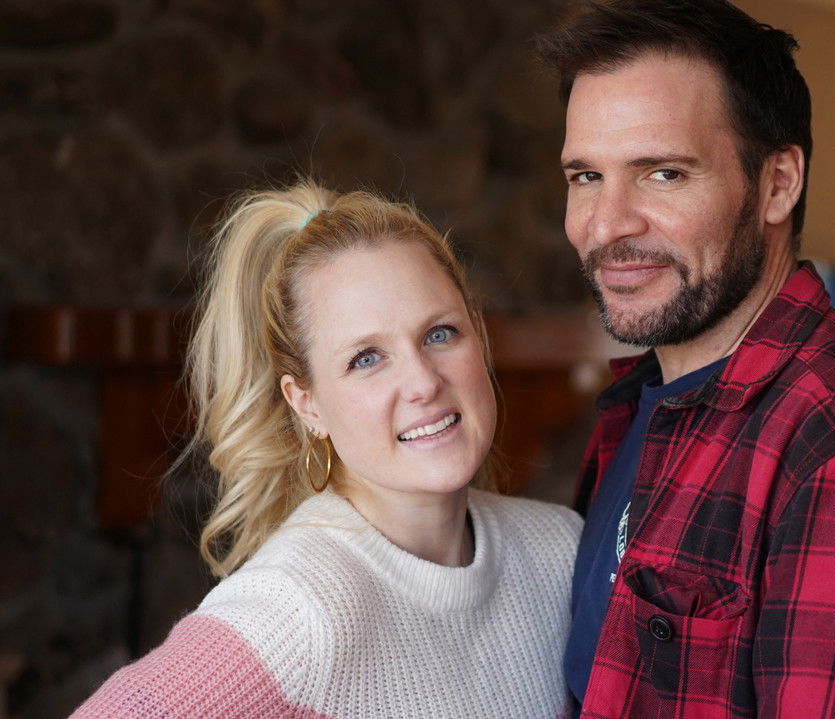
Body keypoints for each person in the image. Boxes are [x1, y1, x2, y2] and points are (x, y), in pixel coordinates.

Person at [537, 1, 835, 717]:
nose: (606, 225)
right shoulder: (639, 409)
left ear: (779, 182)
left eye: (662, 174)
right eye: (585, 176)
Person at [71, 181, 582, 718]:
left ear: (478, 334)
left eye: (440, 334)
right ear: (307, 403)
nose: (423, 383)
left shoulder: (560, 549)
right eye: (366, 358)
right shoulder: (299, 610)